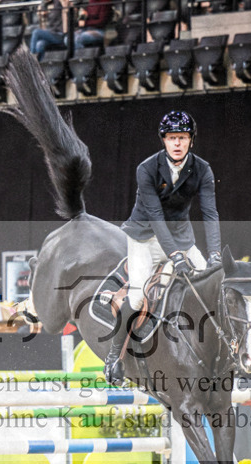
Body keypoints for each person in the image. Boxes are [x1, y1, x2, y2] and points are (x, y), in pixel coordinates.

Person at [103, 111, 221, 385]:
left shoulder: (202, 169)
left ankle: (221, 354)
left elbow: (210, 213)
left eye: (182, 137)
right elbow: (156, 217)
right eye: (172, 138)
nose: (177, 143)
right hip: (145, 237)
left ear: (191, 140)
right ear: (164, 141)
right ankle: (114, 356)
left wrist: (214, 254)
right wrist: (175, 256)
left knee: (212, 286)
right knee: (136, 297)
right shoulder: (146, 168)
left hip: (181, 235)